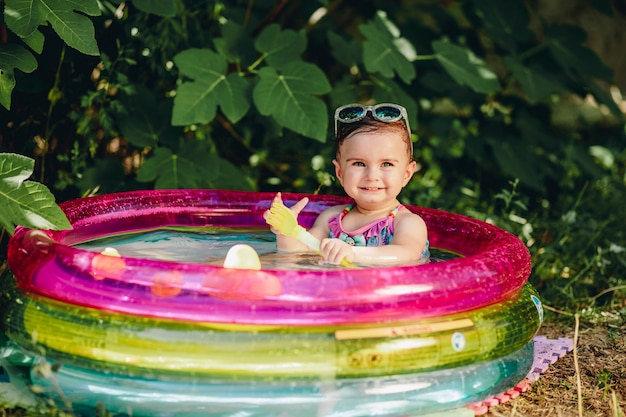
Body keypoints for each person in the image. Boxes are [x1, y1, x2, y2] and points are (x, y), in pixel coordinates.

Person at [265, 103, 429, 265]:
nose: (371, 176)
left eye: (386, 164)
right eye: (359, 163)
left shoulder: (408, 222)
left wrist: (352, 252)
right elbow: (300, 253)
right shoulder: (331, 219)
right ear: (340, 173)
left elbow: (406, 253)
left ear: (407, 174)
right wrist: (288, 233)